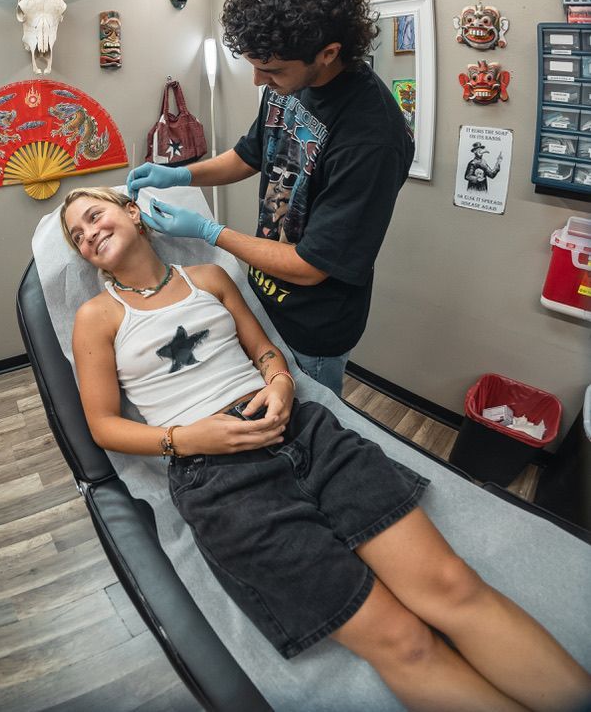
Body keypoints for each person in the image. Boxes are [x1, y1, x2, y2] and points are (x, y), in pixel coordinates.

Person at [61, 185, 590, 712]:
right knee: (404, 641)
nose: (89, 235)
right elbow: (104, 426)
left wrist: (282, 383)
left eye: (93, 216)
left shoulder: (209, 279)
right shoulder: (97, 318)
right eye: (77, 237)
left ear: (132, 212)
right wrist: (186, 439)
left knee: (453, 588)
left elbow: (265, 349)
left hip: (302, 432)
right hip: (216, 477)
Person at [128, 0, 414, 397]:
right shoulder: (289, 82)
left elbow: (311, 266)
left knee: (307, 429)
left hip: (313, 327)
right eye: (256, 66)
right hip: (262, 299)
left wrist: (208, 230)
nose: (259, 81)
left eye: (271, 70)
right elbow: (250, 154)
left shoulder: (371, 136)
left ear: (329, 52)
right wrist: (181, 175)